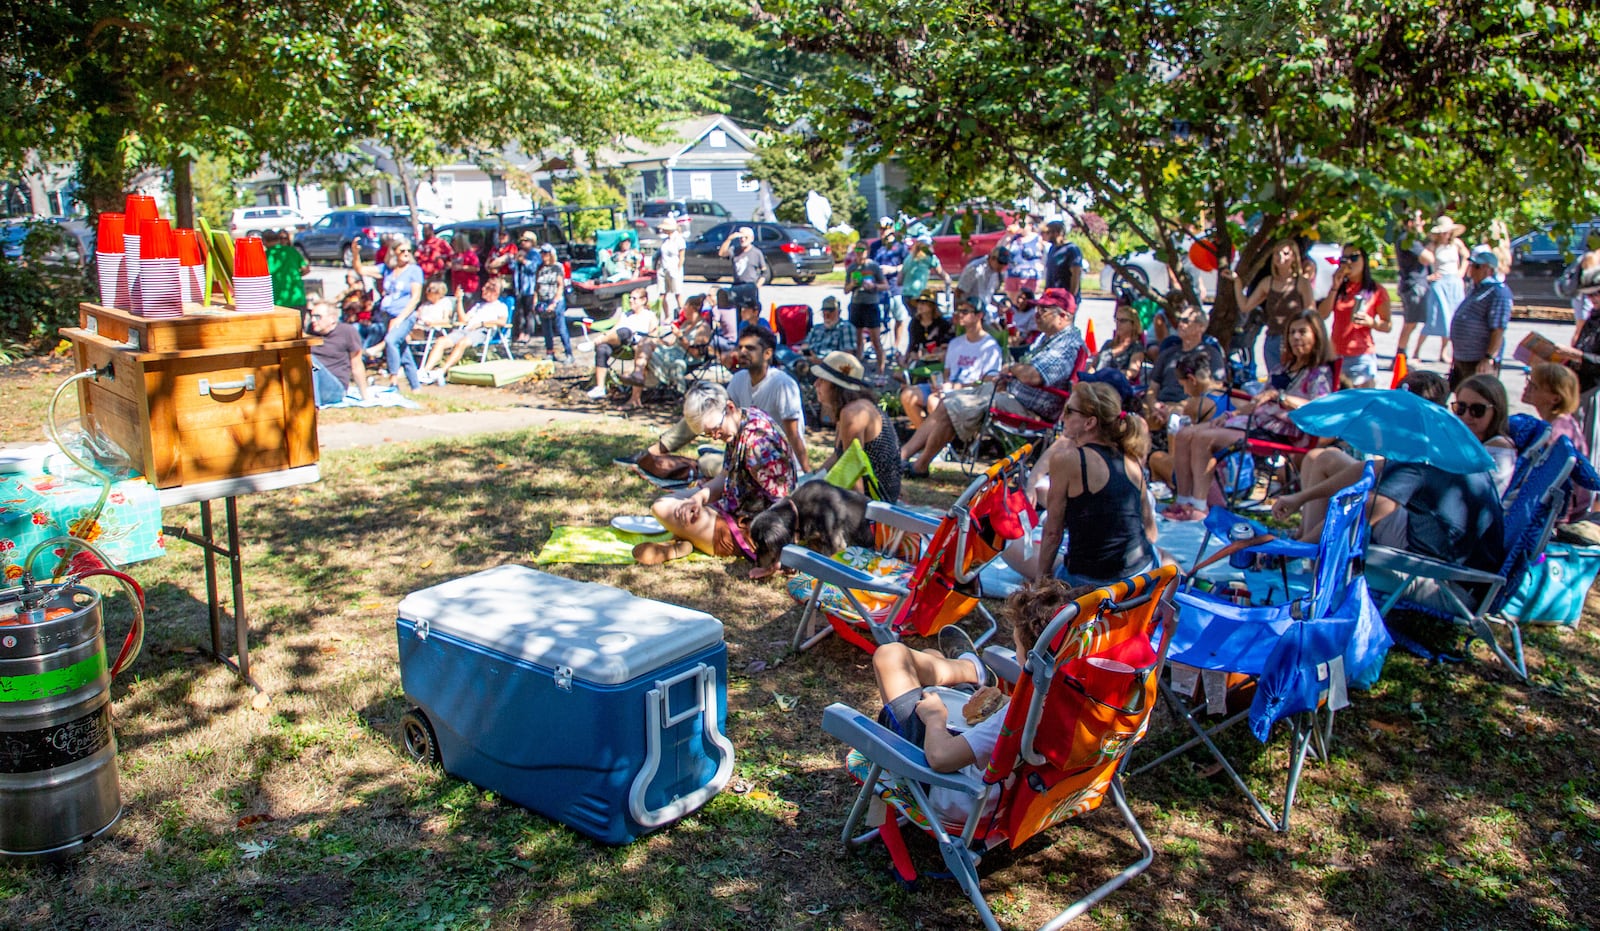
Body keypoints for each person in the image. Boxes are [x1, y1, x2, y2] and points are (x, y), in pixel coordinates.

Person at [1273, 372, 1505, 607]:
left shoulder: (1422, 459)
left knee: (1341, 561)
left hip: (1453, 587)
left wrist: (1299, 549)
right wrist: (1300, 498)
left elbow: (1360, 511)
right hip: (1452, 568)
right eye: (1460, 407)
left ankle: (1312, 567)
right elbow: (1370, 469)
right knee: (1344, 519)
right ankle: (1312, 564)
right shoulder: (1441, 445)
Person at [866, 577, 1091, 817]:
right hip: (1019, 791)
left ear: (1034, 658)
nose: (1016, 654)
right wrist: (1002, 702)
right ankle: (968, 670)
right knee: (929, 658)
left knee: (890, 655)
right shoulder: (1082, 698)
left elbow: (940, 758)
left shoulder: (1024, 713)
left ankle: (969, 669)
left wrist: (934, 718)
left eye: (1017, 646)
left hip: (956, 793)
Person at [1165, 311, 1336, 520]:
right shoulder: (1284, 368)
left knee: (1203, 438)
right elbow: (1258, 402)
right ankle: (1183, 500)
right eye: (1292, 332)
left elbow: (1319, 408)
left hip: (1280, 431)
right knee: (1184, 434)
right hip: (1255, 421)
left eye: (1302, 332)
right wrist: (1230, 415)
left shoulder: (1319, 373)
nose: (1296, 337)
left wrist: (1281, 397)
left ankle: (1200, 507)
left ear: (1317, 335)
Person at [898, 289, 1082, 477]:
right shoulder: (1048, 339)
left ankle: (916, 464)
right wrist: (1010, 378)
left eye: (1044, 310)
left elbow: (1032, 376)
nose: (1037, 313)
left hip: (1030, 410)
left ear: (1063, 316)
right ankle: (903, 458)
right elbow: (1027, 373)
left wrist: (1012, 368)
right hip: (1011, 395)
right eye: (1038, 308)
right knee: (948, 402)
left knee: (954, 405)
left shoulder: (1066, 345)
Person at [1009, 382, 1157, 585]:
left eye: (1069, 411)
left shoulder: (1069, 459)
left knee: (1012, 546)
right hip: (1140, 575)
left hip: (1092, 582)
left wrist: (1041, 585)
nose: (1062, 417)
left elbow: (1053, 533)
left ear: (1090, 423)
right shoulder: (1130, 458)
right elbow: (1150, 529)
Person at [636, 382, 796, 570]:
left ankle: (686, 541)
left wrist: (775, 560)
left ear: (729, 407)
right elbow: (725, 475)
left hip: (751, 531)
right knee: (669, 503)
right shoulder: (742, 420)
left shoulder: (758, 445)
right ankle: (686, 542)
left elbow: (785, 505)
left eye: (715, 429)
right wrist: (698, 498)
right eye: (708, 433)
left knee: (662, 508)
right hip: (734, 508)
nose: (714, 436)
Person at [813, 352, 903, 504]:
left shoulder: (853, 414)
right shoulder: (849, 408)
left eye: (822, 380)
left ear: (837, 387)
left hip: (876, 501)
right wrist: (812, 480)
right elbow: (838, 456)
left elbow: (854, 473)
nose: (816, 384)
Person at [899, 299, 1001, 430]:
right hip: (948, 388)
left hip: (970, 392)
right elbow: (947, 372)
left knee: (933, 401)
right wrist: (941, 384)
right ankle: (928, 440)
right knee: (907, 395)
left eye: (965, 311)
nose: (960, 315)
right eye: (959, 311)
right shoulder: (955, 343)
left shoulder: (989, 347)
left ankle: (937, 444)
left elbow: (988, 382)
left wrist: (954, 387)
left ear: (979, 315)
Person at [1222, 237, 1314, 378]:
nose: (1280, 257)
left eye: (1285, 253)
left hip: (1294, 341)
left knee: (1294, 382)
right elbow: (1245, 306)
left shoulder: (1301, 283)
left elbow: (1310, 314)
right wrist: (1237, 282)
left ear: (1294, 258)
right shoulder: (1268, 283)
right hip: (1272, 339)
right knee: (1275, 383)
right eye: (1276, 253)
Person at [727, 327, 810, 473]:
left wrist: (806, 474)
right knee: (707, 461)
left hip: (781, 466)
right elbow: (731, 424)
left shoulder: (782, 384)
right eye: (740, 347)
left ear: (767, 353)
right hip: (750, 461)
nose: (743, 352)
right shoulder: (738, 380)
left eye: (750, 348)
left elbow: (793, 435)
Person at [1147, 349, 1232, 487]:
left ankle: (1171, 489)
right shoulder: (1237, 397)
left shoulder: (1196, 405)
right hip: (1241, 479)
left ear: (1192, 380)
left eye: (1183, 386)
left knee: (1155, 458)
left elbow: (1180, 449)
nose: (1185, 392)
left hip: (1211, 480)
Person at [353, 237, 424, 391]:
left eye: (408, 251)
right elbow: (361, 270)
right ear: (394, 252)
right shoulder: (387, 269)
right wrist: (355, 253)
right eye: (402, 250)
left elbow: (415, 297)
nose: (406, 253)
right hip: (387, 314)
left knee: (391, 341)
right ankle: (415, 386)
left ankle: (393, 381)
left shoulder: (414, 271)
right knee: (402, 349)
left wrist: (400, 318)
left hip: (405, 315)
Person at [1523, 362, 1592, 520]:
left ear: (1555, 398)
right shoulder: (1561, 422)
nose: (1527, 388)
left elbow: (1558, 485)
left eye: (1534, 386)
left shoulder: (1556, 433)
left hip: (1560, 516)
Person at [1317, 244, 1392, 388]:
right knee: (1337, 402)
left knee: (1362, 402)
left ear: (1364, 260)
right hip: (1336, 354)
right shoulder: (1339, 288)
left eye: (1354, 257)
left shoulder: (1376, 290)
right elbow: (1322, 314)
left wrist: (1372, 323)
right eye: (1344, 259)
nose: (1349, 263)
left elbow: (1387, 325)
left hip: (1361, 356)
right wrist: (1335, 286)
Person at [418, 278, 511, 384]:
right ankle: (425, 370)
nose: (482, 290)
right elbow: (463, 319)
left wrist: (482, 324)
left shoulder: (500, 306)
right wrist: (459, 301)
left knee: (462, 342)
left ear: (495, 292)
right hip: (466, 330)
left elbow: (502, 322)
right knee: (441, 341)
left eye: (486, 288)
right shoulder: (478, 306)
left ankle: (441, 371)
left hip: (483, 331)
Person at [1447, 246, 1512, 389]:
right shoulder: (1476, 289)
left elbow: (1498, 329)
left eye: (1476, 266)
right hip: (1463, 358)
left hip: (1479, 360)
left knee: (1477, 398)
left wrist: (1489, 358)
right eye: (1472, 266)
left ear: (1488, 269)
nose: (1472, 270)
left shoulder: (1497, 292)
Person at [1147, 306, 1226, 409]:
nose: (1180, 324)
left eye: (1185, 321)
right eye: (1179, 320)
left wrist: (1182, 407)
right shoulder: (1167, 353)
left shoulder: (1211, 355)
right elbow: (1152, 388)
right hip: (1161, 408)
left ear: (1201, 327)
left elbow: (1217, 389)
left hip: (1191, 409)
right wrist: (1155, 407)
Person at [588, 288, 660, 400]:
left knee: (625, 331)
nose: (631, 300)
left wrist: (647, 343)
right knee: (602, 348)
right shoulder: (625, 315)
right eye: (630, 298)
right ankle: (600, 387)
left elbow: (653, 336)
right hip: (619, 344)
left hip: (636, 345)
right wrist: (605, 335)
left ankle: (597, 342)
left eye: (634, 298)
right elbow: (614, 330)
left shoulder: (650, 315)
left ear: (643, 300)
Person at [1418, 216, 1469, 363]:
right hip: (1440, 282)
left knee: (1451, 318)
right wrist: (1429, 276)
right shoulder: (1432, 246)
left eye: (1446, 232)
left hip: (1454, 281)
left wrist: (1461, 272)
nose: (1444, 235)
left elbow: (1466, 256)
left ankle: (1444, 352)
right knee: (1434, 317)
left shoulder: (1456, 244)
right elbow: (1422, 260)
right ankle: (1417, 351)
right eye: (1441, 232)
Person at [305, 300, 373, 407]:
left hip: (335, 389)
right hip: (311, 384)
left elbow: (357, 365)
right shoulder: (310, 331)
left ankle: (314, 408)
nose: (313, 320)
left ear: (332, 318)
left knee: (310, 360)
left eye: (318, 317)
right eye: (311, 316)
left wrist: (365, 396)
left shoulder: (347, 332)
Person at [1392, 209, 1431, 362]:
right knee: (1410, 323)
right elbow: (1428, 258)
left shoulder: (1410, 240)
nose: (1422, 223)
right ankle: (1399, 357)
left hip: (1413, 285)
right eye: (1419, 220)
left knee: (1411, 324)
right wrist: (1432, 243)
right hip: (1412, 286)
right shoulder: (1408, 240)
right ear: (1410, 223)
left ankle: (1401, 355)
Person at [845, 241, 888, 378]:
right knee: (857, 340)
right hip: (857, 304)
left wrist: (873, 286)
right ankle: (858, 370)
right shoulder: (852, 268)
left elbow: (885, 285)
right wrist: (852, 284)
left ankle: (881, 369)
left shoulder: (873, 266)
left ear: (867, 251)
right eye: (857, 249)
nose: (859, 252)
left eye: (862, 249)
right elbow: (845, 290)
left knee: (875, 339)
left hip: (871, 305)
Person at [869, 219, 910, 357]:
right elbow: (868, 264)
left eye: (884, 228)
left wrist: (892, 269)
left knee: (899, 317)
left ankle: (896, 347)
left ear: (892, 229)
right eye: (879, 229)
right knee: (878, 319)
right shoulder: (875, 246)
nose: (881, 231)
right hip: (878, 289)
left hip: (895, 287)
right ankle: (879, 349)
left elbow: (907, 265)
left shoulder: (900, 247)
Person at [530, 243, 572, 364]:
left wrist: (554, 302)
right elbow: (537, 286)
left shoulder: (557, 267)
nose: (543, 256)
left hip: (555, 300)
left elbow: (560, 285)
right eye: (542, 253)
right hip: (543, 300)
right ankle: (550, 352)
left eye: (546, 253)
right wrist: (535, 300)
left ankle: (568, 353)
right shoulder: (540, 268)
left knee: (560, 327)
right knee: (546, 328)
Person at [1092, 302, 1147, 385]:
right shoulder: (1108, 344)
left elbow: (1132, 372)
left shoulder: (1136, 347)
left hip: (1116, 384)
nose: (1118, 324)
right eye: (1116, 320)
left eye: (1123, 321)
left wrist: (1110, 375)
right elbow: (1093, 366)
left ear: (1133, 324)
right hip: (1096, 382)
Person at [799, 295, 858, 365]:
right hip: (810, 360)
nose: (826, 316)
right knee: (783, 351)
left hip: (831, 364)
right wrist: (808, 355)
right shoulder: (817, 327)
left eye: (830, 312)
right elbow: (805, 345)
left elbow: (847, 355)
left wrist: (821, 361)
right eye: (824, 312)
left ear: (839, 312)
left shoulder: (846, 327)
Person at [719, 226, 769, 304]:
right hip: (737, 285)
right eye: (741, 237)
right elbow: (722, 253)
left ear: (752, 238)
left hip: (750, 285)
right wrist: (729, 239)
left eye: (746, 237)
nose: (743, 239)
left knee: (749, 311)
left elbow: (765, 272)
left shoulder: (756, 253)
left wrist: (757, 286)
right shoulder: (734, 250)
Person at [1001, 214, 1046, 299]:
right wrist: (1007, 236)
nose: (1019, 226)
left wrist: (1041, 266)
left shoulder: (1037, 238)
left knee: (1028, 302)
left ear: (1030, 225)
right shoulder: (1014, 238)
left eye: (1022, 224)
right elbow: (1002, 250)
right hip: (1012, 275)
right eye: (1018, 223)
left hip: (1030, 276)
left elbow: (1044, 254)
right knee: (1012, 303)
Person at [954, 246, 1010, 312]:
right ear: (992, 258)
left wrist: (998, 305)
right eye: (1000, 262)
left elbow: (987, 296)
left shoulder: (996, 274)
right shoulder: (975, 269)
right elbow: (958, 292)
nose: (1002, 266)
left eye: (1005, 263)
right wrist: (959, 313)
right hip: (970, 310)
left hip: (984, 311)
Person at [266, 230, 310, 310]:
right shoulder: (292, 251)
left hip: (277, 301)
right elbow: (306, 269)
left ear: (264, 241)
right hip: (297, 297)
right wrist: (296, 275)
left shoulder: (266, 255)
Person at [900, 235, 950, 305]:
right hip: (918, 294)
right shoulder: (929, 258)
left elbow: (899, 281)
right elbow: (941, 273)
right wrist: (947, 279)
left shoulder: (908, 258)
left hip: (905, 295)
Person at [1043, 218, 1083, 300]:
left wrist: (1071, 297)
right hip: (1051, 296)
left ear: (1057, 233)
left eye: (1047, 232)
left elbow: (1076, 274)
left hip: (1064, 297)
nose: (1044, 235)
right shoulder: (1052, 248)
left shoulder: (1071, 249)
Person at [656, 218, 686, 316]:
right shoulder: (665, 241)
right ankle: (666, 316)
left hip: (674, 269)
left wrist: (678, 269)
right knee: (662, 294)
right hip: (663, 269)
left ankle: (682, 315)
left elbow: (681, 257)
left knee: (678, 293)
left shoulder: (679, 240)